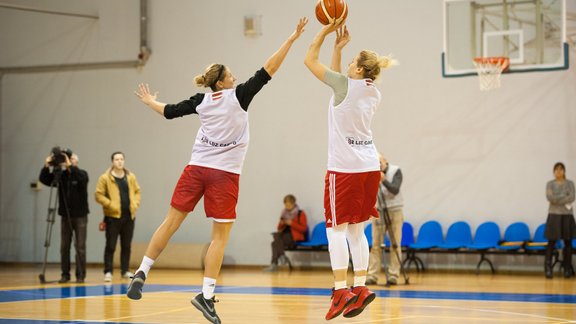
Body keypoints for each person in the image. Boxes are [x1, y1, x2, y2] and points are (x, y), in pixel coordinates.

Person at [127, 18, 308, 324]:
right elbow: (269, 69)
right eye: (230, 75)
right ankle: (206, 296)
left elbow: (169, 111)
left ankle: (142, 270)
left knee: (170, 223)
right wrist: (290, 40)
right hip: (224, 175)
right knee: (219, 238)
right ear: (222, 82)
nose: (235, 77)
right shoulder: (239, 96)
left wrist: (149, 101)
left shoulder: (201, 101)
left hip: (195, 169)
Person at [304, 21, 396, 320]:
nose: (349, 66)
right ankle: (360, 287)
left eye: (352, 62)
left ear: (357, 70)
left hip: (343, 170)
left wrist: (325, 33)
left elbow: (309, 61)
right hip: (369, 167)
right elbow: (338, 82)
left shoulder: (345, 86)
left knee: (335, 230)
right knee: (357, 230)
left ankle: (340, 289)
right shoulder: (373, 92)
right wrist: (339, 50)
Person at [39, 148, 89, 284]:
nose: (68, 162)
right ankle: (65, 275)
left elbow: (82, 179)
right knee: (64, 246)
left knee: (80, 247)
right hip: (65, 216)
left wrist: (70, 166)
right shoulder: (61, 176)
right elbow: (44, 179)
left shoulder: (81, 174)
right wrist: (46, 165)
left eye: (72, 159)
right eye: (67, 159)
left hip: (80, 216)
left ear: (76, 162)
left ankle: (80, 275)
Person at [95, 151, 142, 282]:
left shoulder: (130, 176)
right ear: (112, 162)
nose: (119, 161)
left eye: (121, 159)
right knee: (110, 245)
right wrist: (110, 204)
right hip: (113, 217)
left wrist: (135, 203)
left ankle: (125, 270)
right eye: (117, 159)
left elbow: (137, 191)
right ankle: (108, 271)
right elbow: (98, 195)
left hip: (129, 216)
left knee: (126, 245)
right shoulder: (105, 178)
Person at [366, 154, 404, 286]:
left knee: (395, 244)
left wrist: (383, 180)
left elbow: (395, 189)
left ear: (385, 161)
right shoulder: (372, 172)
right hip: (379, 210)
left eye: (379, 161)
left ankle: (393, 275)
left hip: (395, 210)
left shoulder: (396, 171)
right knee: (375, 244)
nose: (378, 164)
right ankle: (372, 275)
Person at [544, 162, 575, 279]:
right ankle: (548, 269)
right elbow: (550, 198)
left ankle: (567, 268)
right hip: (554, 214)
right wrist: (564, 195)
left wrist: (557, 197)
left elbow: (572, 197)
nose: (558, 171)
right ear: (553, 172)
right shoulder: (550, 184)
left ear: (564, 171)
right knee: (551, 242)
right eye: (556, 169)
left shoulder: (570, 183)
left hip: (567, 215)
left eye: (561, 169)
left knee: (568, 243)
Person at [264, 194, 308, 272]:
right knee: (275, 237)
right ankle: (282, 256)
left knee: (274, 243)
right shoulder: (284, 213)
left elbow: (304, 229)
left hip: (295, 238)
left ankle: (274, 264)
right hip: (284, 236)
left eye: (289, 204)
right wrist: (282, 223)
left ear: (293, 203)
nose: (287, 207)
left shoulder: (300, 213)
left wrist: (291, 223)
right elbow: (278, 228)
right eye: (286, 205)